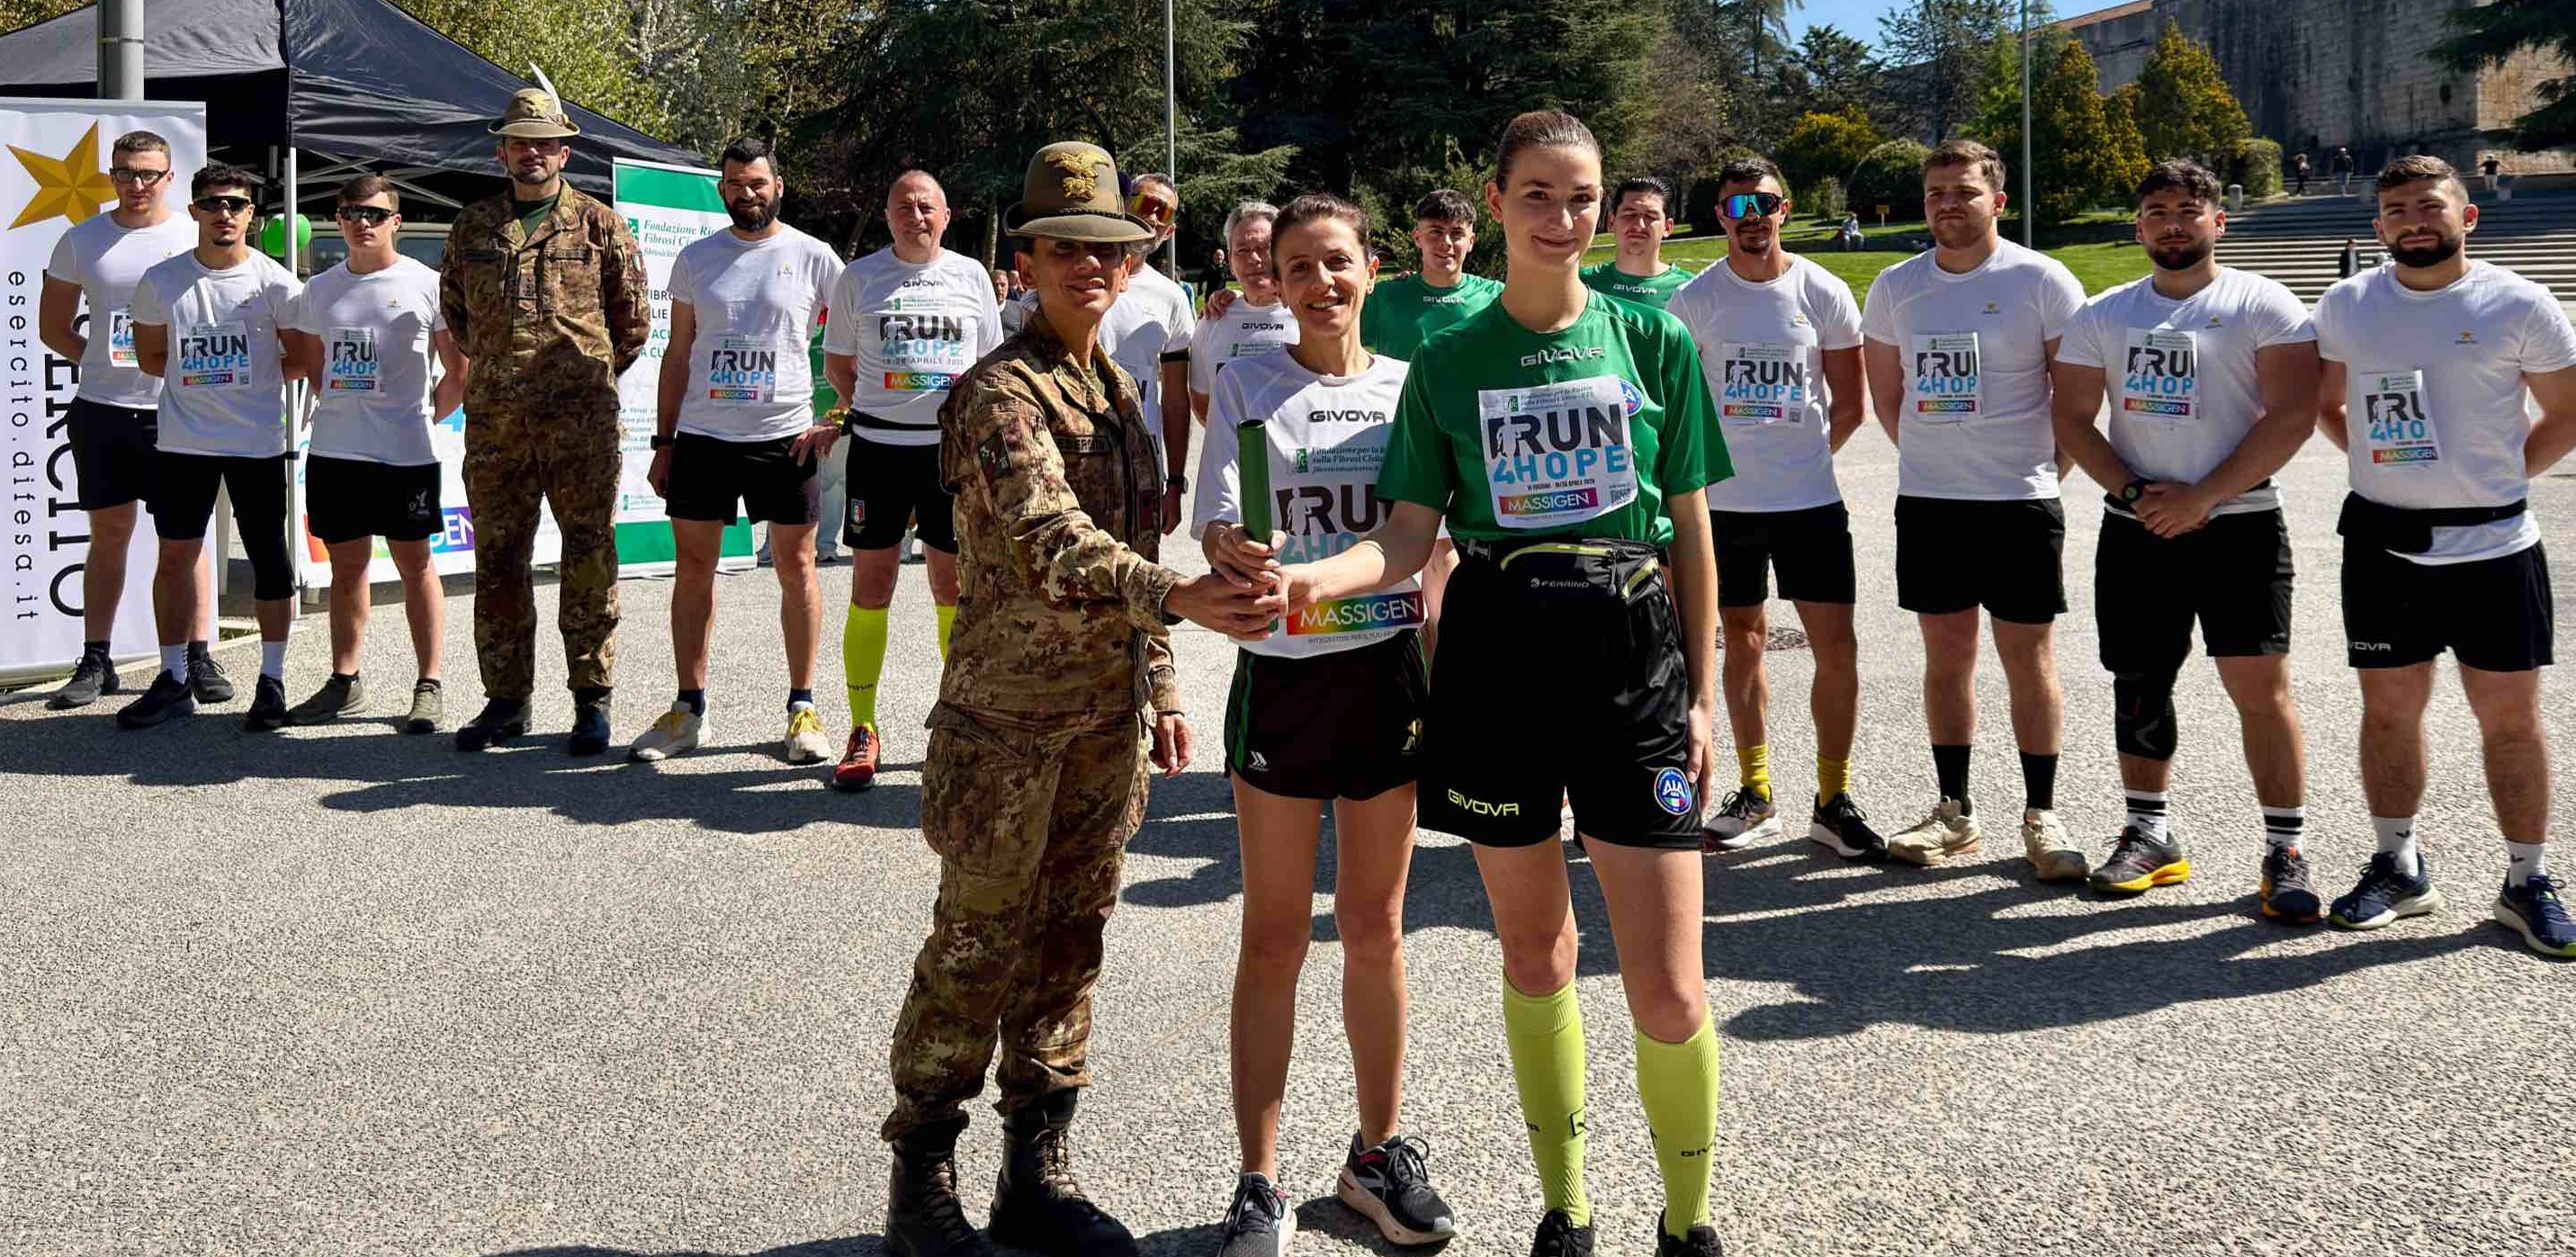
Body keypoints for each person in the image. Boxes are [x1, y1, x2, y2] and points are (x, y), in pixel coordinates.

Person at [1269, 110, 1729, 1257]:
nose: (1563, 218)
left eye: (1581, 197)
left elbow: (1689, 526)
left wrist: (1702, 693)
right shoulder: (1447, 360)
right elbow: (1404, 533)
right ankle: (1566, 1208)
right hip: (1497, 659)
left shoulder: (1651, 340)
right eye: (1538, 194)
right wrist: (1311, 578)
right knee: (1535, 955)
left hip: (1632, 662)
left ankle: (1687, 1223)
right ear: (1496, 201)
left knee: (1670, 987)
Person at [875, 140, 1272, 1257]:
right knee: (977, 945)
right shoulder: (998, 393)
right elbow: (1049, 537)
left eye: (1109, 250)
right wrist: (1178, 598)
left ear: (1132, 260)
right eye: (1065, 249)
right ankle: (921, 1180)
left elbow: (1134, 533)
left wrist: (1160, 681)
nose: (1089, 266)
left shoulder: (1120, 392)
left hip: (1102, 719)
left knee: (1070, 941)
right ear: (1027, 261)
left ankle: (1034, 1171)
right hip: (1006, 724)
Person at [1193, 193, 1455, 1257]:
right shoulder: (1247, 380)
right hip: (1284, 680)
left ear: (1370, 268)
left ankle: (1375, 1156)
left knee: (1374, 926)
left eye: (1337, 261)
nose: (1320, 282)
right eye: (1298, 266)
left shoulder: (1410, 386)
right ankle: (1257, 1179)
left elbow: (1423, 539)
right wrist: (1228, 544)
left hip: (1383, 676)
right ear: (1277, 280)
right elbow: (1218, 515)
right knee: (1273, 933)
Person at [2311, 155, 2576, 957]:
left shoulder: (2517, 302)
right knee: (2389, 712)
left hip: (2494, 546)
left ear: (2467, 216)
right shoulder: (2348, 303)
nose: (2412, 221)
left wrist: (2498, 481)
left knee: (2509, 719)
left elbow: (2566, 411)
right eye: (2396, 210)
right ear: (2377, 226)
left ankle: (2526, 879)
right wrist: (2380, 468)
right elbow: (2324, 401)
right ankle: (2398, 866)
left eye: (2428, 206)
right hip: (2383, 543)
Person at [2049, 160, 2322, 916]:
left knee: (2260, 689)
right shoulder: (2103, 313)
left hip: (2240, 525)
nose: (2172, 223)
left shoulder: (2263, 303)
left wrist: (2204, 495)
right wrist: (2137, 495)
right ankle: (2148, 833)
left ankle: (2285, 849)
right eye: (2157, 212)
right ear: (2138, 226)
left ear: (2216, 221)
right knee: (2139, 684)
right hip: (2136, 528)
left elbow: (2292, 415)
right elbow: (2070, 418)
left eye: (2187, 210)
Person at [1859, 139, 2088, 877]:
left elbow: (2075, 399)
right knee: (1946, 659)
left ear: (1998, 199)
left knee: (2029, 659)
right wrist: (1933, 457)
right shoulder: (1895, 286)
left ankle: (2041, 814)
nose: (1947, 205)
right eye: (1935, 193)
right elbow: (1886, 397)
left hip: (2019, 502)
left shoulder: (2040, 279)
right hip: (1931, 503)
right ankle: (1953, 811)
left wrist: (2042, 473)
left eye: (1962, 191)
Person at [1667, 157, 1883, 860]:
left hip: (1809, 503)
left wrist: (1803, 461)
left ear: (1783, 208)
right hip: (1724, 508)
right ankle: (1755, 791)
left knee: (1836, 647)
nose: (1750, 217)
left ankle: (1833, 799)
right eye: (1736, 206)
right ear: (1719, 217)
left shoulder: (1822, 290)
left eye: (1762, 203)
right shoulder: (1694, 301)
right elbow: (1677, 409)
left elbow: (1849, 404)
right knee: (1743, 641)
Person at [440, 88, 651, 755]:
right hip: (497, 427)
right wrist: (506, 372)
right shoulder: (473, 226)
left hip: (579, 426)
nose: (532, 153)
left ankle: (591, 698)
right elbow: (458, 316)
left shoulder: (599, 225)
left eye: (545, 143)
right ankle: (506, 700)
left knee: (588, 553)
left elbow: (632, 323)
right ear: (501, 152)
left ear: (564, 152)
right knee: (499, 558)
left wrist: (576, 379)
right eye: (520, 142)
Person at [629, 138, 845, 766]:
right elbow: (678, 354)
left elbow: (854, 337)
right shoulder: (697, 259)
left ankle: (802, 706)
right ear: (721, 190)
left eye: (757, 183)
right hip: (704, 438)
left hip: (784, 438)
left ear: (778, 187)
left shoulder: (814, 255)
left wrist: (837, 415)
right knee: (693, 569)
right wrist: (664, 442)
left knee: (796, 567)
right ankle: (687, 709)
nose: (746, 193)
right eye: (735, 184)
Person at [820, 170, 1004, 791]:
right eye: (904, 206)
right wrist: (881, 407)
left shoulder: (971, 277)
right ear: (888, 216)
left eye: (927, 206)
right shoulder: (859, 277)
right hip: (878, 451)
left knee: (952, 586)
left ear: (946, 216)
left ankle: (960, 721)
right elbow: (838, 364)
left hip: (949, 456)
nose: (915, 216)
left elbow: (989, 366)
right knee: (871, 585)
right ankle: (862, 725)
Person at [114, 164, 309, 730]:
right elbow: (151, 357)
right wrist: (210, 380)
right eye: (214, 203)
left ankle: (272, 681)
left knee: (269, 559)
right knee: (175, 557)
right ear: (195, 209)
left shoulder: (277, 283)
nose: (225, 213)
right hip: (183, 444)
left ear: (252, 215)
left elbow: (300, 359)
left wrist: (249, 383)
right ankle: (173, 677)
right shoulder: (161, 280)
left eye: (236, 204)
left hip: (256, 445)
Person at [38, 130, 220, 710]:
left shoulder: (193, 236)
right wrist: (101, 360)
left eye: (148, 174)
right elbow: (53, 327)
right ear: (111, 176)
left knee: (185, 541)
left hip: (179, 411)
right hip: (103, 412)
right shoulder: (81, 240)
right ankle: (97, 658)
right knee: (110, 534)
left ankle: (197, 654)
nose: (137, 184)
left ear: (169, 178)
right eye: (125, 173)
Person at [276, 176, 466, 733]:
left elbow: (458, 372)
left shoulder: (427, 284)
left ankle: (428, 684)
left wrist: (422, 418)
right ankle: (345, 680)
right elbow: (315, 371)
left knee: (415, 566)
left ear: (395, 222)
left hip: (405, 455)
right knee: (347, 569)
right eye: (352, 212)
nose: (363, 222)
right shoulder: (318, 290)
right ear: (338, 220)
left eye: (376, 214)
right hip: (336, 453)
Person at [1358, 188, 1500, 655]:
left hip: (1470, 448)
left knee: (1446, 562)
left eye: (1457, 233)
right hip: (1405, 445)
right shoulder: (1388, 297)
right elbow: (1317, 318)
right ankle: (1419, 666)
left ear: (1472, 240)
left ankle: (1441, 672)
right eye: (1435, 232)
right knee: (1412, 562)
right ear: (1417, 237)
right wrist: (1233, 302)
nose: (1446, 243)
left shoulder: (1494, 298)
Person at [1109, 172, 1198, 534]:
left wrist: (1174, 482)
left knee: (1138, 567)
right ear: (1122, 204)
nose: (1152, 216)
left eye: (1164, 212)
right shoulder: (1081, 274)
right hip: (1070, 454)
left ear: (1169, 231)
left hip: (1140, 463)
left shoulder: (1172, 297)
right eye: (1145, 202)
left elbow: (1175, 399)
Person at [1189, 202, 1300, 422]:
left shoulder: (1307, 316)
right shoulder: (1213, 319)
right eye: (1242, 250)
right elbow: (1201, 399)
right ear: (1230, 261)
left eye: (1264, 248)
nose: (1254, 259)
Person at [1579, 175, 1691, 310]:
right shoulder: (1582, 283)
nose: (1639, 225)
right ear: (1612, 222)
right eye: (1629, 214)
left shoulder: (1688, 289)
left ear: (1667, 227)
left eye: (1650, 216)